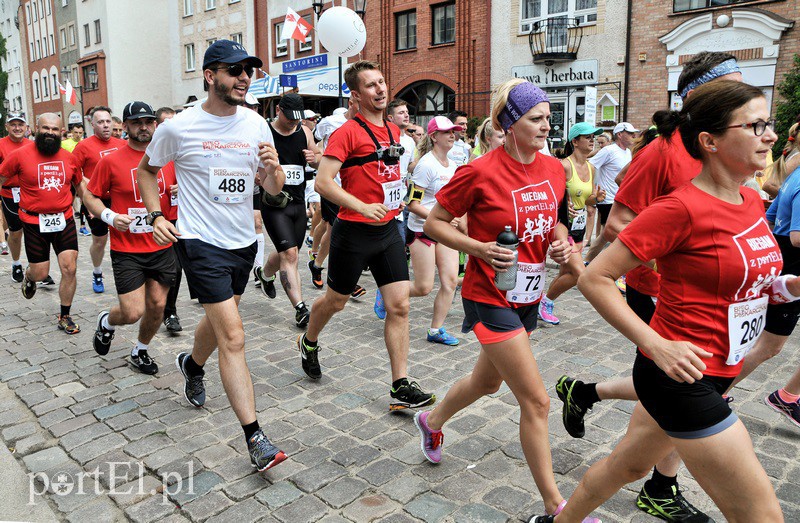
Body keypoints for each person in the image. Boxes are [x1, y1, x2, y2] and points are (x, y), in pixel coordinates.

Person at [532, 80, 786, 523]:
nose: (771, 135)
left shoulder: (750, 198)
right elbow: (596, 277)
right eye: (756, 125)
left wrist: (791, 286)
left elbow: (748, 281)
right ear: (710, 141)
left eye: (771, 123)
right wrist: (656, 344)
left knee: (626, 466)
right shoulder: (680, 208)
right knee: (762, 515)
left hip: (721, 367)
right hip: (678, 375)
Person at [414, 79, 599, 522]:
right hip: (488, 293)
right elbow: (436, 222)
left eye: (548, 118)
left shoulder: (554, 169)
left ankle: (431, 422)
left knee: (487, 383)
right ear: (508, 123)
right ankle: (557, 508)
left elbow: (554, 222)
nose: (546, 127)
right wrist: (476, 247)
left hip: (529, 293)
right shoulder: (479, 171)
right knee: (535, 400)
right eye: (536, 119)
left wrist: (560, 245)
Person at [136, 39, 287, 471]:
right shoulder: (179, 127)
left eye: (249, 70)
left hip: (242, 243)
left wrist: (274, 170)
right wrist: (155, 214)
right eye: (234, 69)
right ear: (210, 76)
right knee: (235, 337)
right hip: (199, 242)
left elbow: (271, 190)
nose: (244, 77)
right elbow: (146, 171)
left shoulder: (256, 124)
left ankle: (191, 362)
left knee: (222, 322)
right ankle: (255, 437)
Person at [297, 60, 436, 413]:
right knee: (336, 302)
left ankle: (400, 383)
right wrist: (360, 205)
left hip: (389, 230)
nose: (380, 89)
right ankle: (310, 341)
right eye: (371, 86)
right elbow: (323, 182)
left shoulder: (394, 131)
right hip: (354, 232)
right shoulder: (347, 132)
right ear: (356, 96)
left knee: (400, 306)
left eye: (382, 82)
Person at [86, 102, 177, 375]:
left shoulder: (169, 158)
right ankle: (107, 322)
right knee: (132, 311)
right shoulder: (111, 160)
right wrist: (110, 217)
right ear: (124, 126)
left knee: (158, 305)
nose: (144, 127)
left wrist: (177, 191)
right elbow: (90, 195)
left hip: (161, 244)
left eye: (149, 121)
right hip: (127, 249)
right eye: (137, 122)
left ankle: (140, 350)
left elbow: (175, 196)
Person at [738, 123, 800, 427]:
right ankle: (714, 391)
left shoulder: (794, 175)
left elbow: (771, 216)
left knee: (766, 344)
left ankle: (789, 396)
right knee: (769, 345)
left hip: (784, 259)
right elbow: (798, 235)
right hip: (793, 264)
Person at [0, 113, 83, 334]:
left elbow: (80, 187)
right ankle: (29, 275)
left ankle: (65, 315)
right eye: (45, 128)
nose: (50, 133)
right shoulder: (19, 155)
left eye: (55, 129)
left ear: (61, 131)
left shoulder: (69, 157)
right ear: (36, 129)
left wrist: (95, 210)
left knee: (70, 268)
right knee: (40, 272)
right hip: (34, 222)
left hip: (63, 219)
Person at [253, 93, 319, 328]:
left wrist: (315, 158)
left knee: (287, 251)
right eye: (290, 117)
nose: (294, 122)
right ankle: (300, 308)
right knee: (290, 255)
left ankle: (264, 274)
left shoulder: (305, 132)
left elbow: (319, 158)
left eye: (297, 119)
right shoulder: (265, 132)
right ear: (278, 110)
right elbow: (252, 163)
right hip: (274, 203)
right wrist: (257, 176)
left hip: (298, 204)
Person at [401, 116, 463, 345]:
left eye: (453, 132)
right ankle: (389, 290)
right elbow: (413, 204)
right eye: (447, 132)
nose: (452, 135)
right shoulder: (425, 165)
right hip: (422, 231)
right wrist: (438, 218)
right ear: (434, 136)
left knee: (450, 282)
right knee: (423, 286)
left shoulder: (454, 166)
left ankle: (436, 330)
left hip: (444, 231)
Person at [538, 122, 604, 325]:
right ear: (575, 141)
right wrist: (562, 203)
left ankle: (542, 302)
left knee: (566, 272)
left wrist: (597, 197)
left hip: (579, 227)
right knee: (579, 274)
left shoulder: (592, 168)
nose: (592, 140)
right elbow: (549, 195)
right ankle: (545, 301)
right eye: (588, 137)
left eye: (594, 137)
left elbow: (587, 201)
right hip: (562, 226)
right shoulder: (563, 165)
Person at [74, 106, 127, 293]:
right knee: (100, 240)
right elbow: (75, 175)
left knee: (124, 236)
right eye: (100, 122)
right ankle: (97, 272)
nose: (105, 126)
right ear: (92, 124)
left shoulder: (121, 144)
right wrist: (87, 201)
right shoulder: (83, 147)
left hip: (119, 198)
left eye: (108, 121)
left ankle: (128, 272)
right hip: (97, 200)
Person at [584, 122, 637, 266]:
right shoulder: (609, 150)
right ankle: (609, 269)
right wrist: (592, 189)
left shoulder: (628, 152)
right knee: (616, 236)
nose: (634, 136)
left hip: (620, 199)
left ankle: (587, 261)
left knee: (605, 235)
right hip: (607, 199)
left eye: (634, 133)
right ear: (620, 134)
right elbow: (591, 165)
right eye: (630, 133)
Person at [154, 108, 184, 334]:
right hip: (149, 222)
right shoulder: (152, 153)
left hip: (175, 220)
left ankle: (170, 311)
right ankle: (153, 305)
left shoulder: (183, 152)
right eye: (167, 124)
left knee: (176, 268)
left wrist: (181, 187)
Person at [1, 114, 35, 282]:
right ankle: (16, 263)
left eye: (20, 124)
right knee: (16, 232)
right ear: (7, 127)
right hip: (9, 194)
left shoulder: (32, 145)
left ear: (26, 127)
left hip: (30, 194)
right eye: (13, 124)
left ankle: (36, 267)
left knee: (34, 231)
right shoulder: (1, 145)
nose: (17, 128)